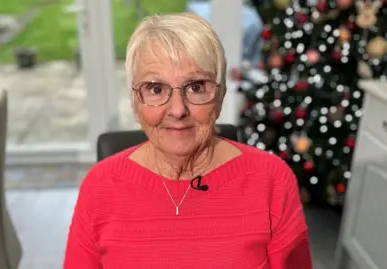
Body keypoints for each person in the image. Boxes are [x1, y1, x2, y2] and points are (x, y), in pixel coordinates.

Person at [64, 12, 312, 269]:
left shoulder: (272, 180)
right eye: (156, 89)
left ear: (220, 95)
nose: (177, 110)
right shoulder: (100, 187)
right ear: (135, 101)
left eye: (196, 87)